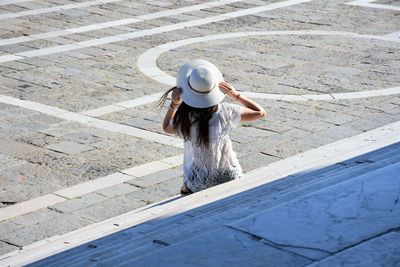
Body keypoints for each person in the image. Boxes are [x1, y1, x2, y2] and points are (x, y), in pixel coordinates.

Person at [159, 59, 266, 195]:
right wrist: (236, 95)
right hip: (230, 174)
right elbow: (260, 113)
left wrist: (174, 104)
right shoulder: (226, 111)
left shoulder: (186, 118)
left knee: (184, 191)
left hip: (200, 180)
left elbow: (166, 127)